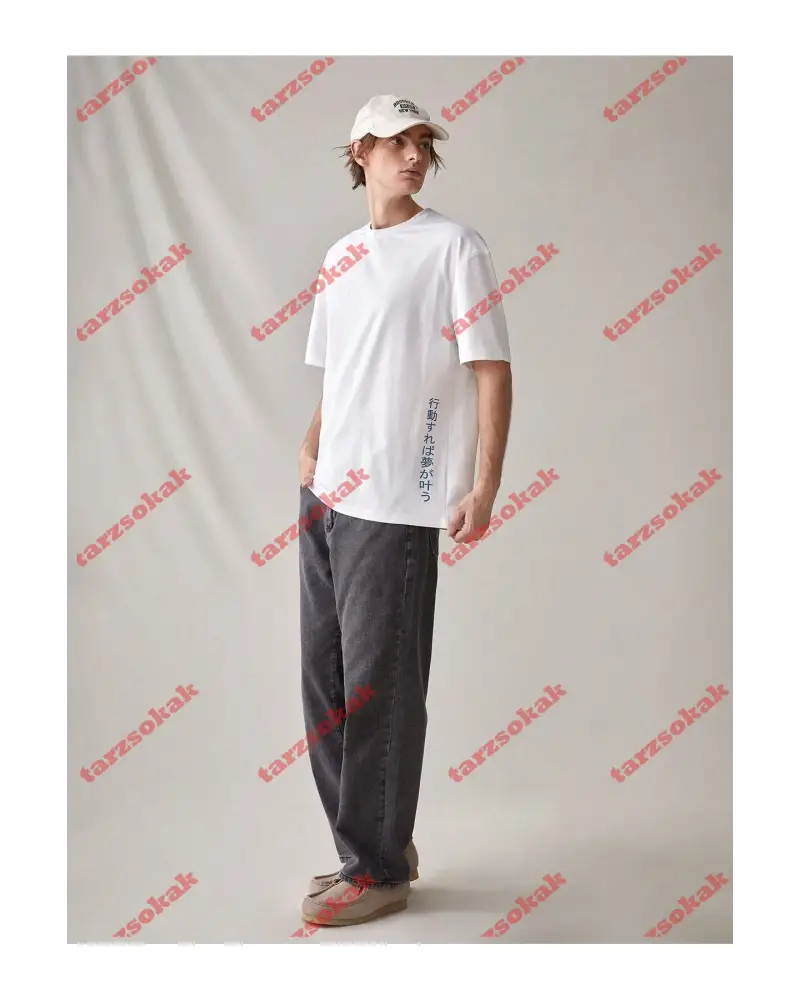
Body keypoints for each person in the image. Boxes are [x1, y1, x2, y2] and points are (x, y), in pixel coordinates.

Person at [297, 94, 513, 927]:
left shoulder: (455, 247)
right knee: (325, 687)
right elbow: (340, 370)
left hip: (398, 499)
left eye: (423, 142)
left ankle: (379, 866)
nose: (414, 156)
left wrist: (484, 484)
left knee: (377, 688)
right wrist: (311, 446)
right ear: (360, 152)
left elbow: (490, 367)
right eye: (396, 142)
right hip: (327, 494)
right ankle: (372, 845)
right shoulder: (341, 254)